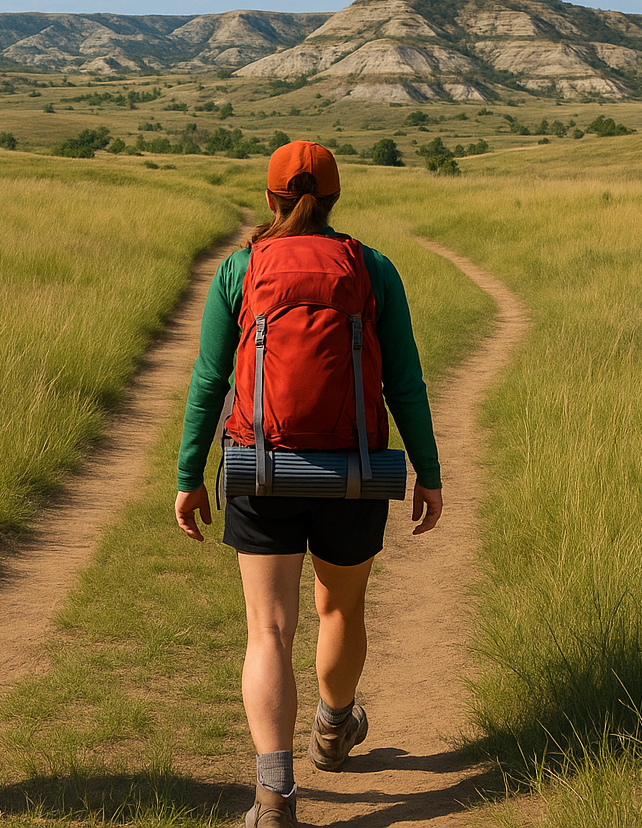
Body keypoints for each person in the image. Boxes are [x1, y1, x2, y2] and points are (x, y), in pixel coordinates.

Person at [174, 141, 443, 828]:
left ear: (270, 199)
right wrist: (429, 473)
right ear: (334, 199)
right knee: (340, 611)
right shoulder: (372, 268)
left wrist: (188, 475)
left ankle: (274, 798)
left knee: (268, 629)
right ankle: (333, 726)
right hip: (356, 470)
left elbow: (209, 380)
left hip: (259, 467)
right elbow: (403, 381)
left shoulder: (241, 268)